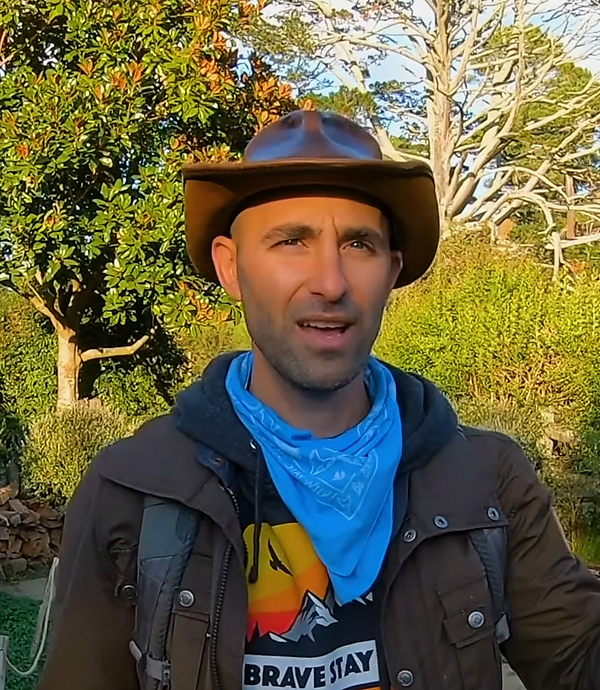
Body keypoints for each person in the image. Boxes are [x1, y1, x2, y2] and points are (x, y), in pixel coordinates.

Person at [38, 110, 600, 690]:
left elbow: (577, 657)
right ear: (231, 268)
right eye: (291, 241)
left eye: (359, 244)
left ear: (391, 271)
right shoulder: (134, 488)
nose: (331, 283)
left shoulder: (485, 482)